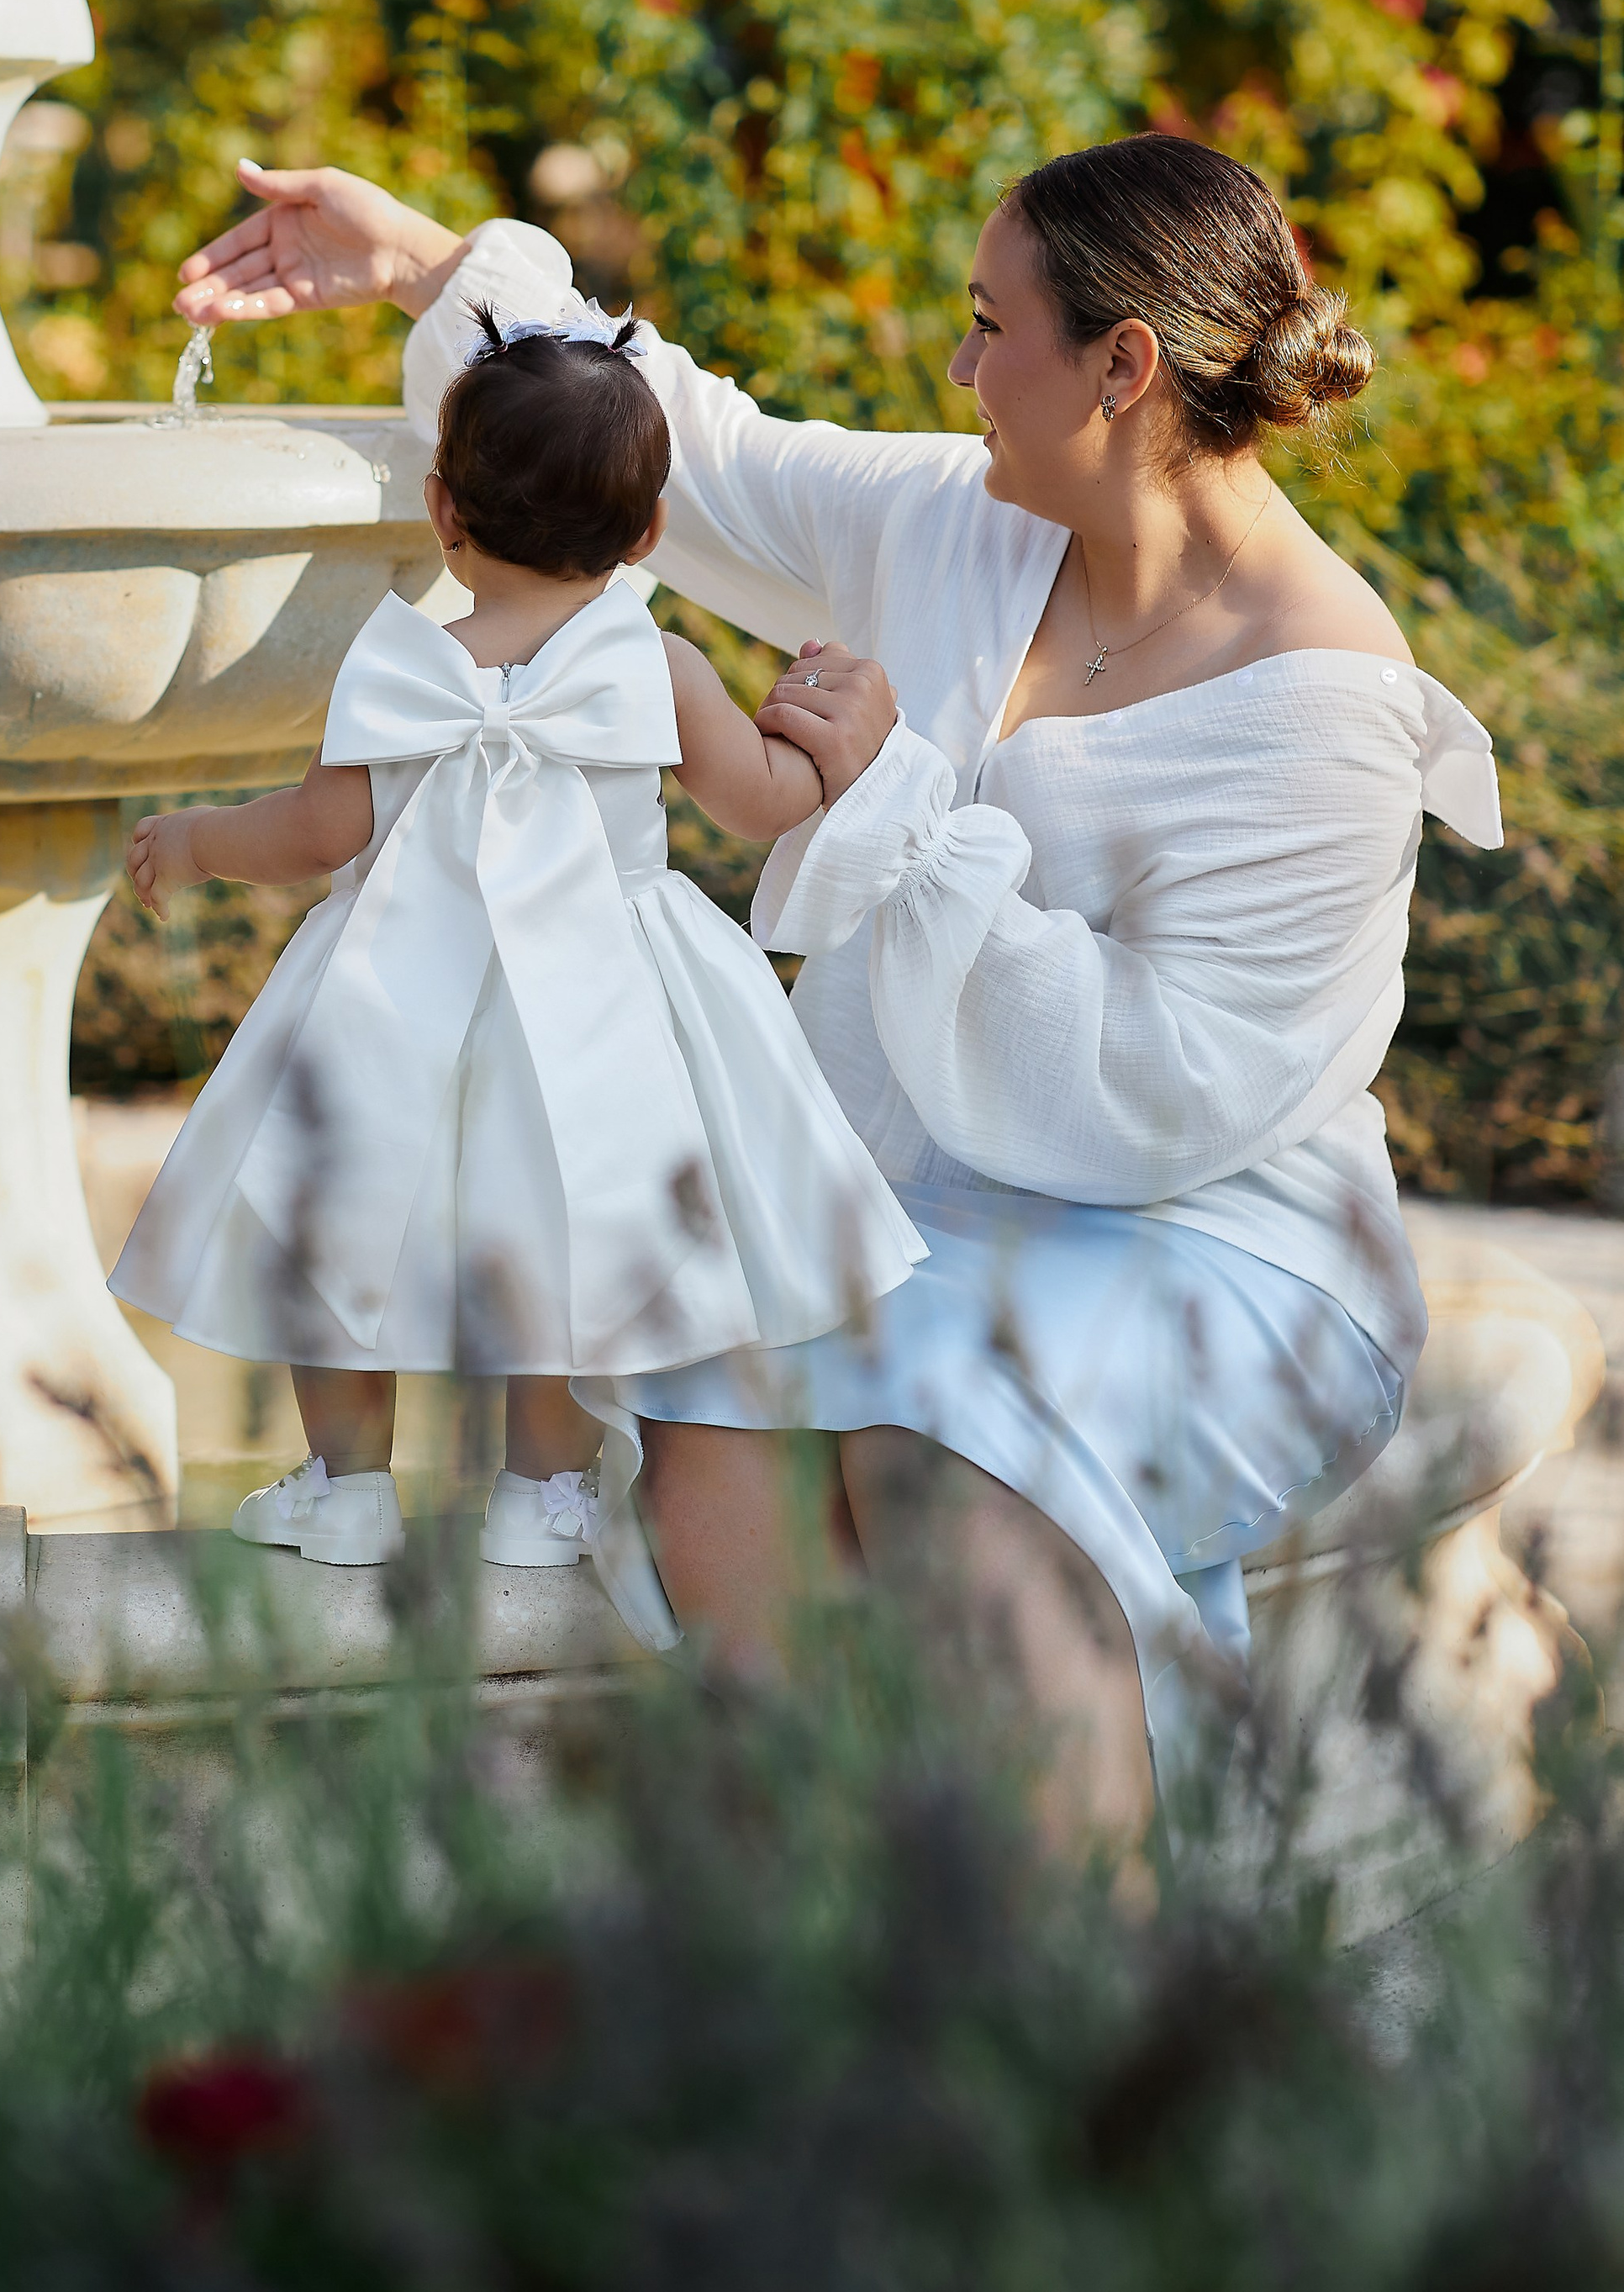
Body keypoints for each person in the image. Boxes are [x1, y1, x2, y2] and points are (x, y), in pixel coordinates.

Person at [167, 133, 1504, 1830]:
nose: (956, 366)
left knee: (936, 1442)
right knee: (712, 1414)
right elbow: (699, 456)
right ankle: (833, 1926)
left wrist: (897, 808)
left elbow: (1161, 1093)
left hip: (1219, 1250)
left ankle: (1079, 1958)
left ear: (1121, 366)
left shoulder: (1318, 696)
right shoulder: (958, 522)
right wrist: (427, 264)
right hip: (906, 1220)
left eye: (986, 327)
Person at [108, 304, 923, 1646]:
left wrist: (197, 841)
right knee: (562, 1224)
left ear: (442, 507)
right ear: (648, 532)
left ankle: (348, 1485)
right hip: (603, 995)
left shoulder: (398, 661)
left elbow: (320, 831)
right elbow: (757, 802)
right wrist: (826, 743)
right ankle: (540, 1492)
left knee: (342, 1205)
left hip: (393, 986)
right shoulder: (659, 663)